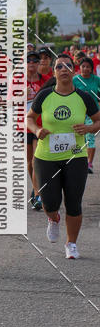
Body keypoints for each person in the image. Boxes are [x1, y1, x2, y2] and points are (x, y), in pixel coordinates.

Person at [26, 54, 100, 259]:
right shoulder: (44, 95)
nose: (64, 69)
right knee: (48, 203)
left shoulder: (84, 97)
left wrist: (88, 128)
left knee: (74, 202)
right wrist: (36, 130)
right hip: (46, 157)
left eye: (68, 65)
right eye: (59, 66)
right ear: (54, 72)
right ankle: (53, 218)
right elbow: (29, 118)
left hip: (75, 156)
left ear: (74, 71)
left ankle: (71, 243)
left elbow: (98, 120)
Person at [73, 56, 100, 173]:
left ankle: (89, 163)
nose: (85, 69)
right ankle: (78, 161)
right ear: (79, 68)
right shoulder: (75, 80)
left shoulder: (96, 80)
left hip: (92, 113)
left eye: (88, 67)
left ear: (92, 69)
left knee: (90, 138)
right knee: (78, 137)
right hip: (77, 112)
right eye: (83, 66)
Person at [25, 52, 44, 209]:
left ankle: (38, 194)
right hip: (22, 125)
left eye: (35, 60)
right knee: (29, 161)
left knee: (35, 160)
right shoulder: (16, 80)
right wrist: (21, 96)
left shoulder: (45, 80)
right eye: (28, 60)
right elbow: (6, 102)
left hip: (40, 125)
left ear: (39, 63)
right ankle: (35, 187)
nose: (31, 63)